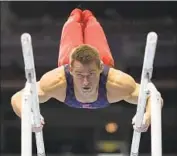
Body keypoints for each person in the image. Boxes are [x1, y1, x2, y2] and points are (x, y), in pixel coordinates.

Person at [11, 9, 163, 133]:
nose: (85, 81)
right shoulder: (56, 81)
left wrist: (147, 117)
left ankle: (89, 16)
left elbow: (154, 98)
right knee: (73, 23)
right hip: (69, 61)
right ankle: (76, 14)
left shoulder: (117, 83)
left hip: (100, 60)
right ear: (70, 70)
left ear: (101, 68)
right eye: (79, 75)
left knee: (92, 24)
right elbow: (18, 98)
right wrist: (28, 117)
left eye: (91, 74)